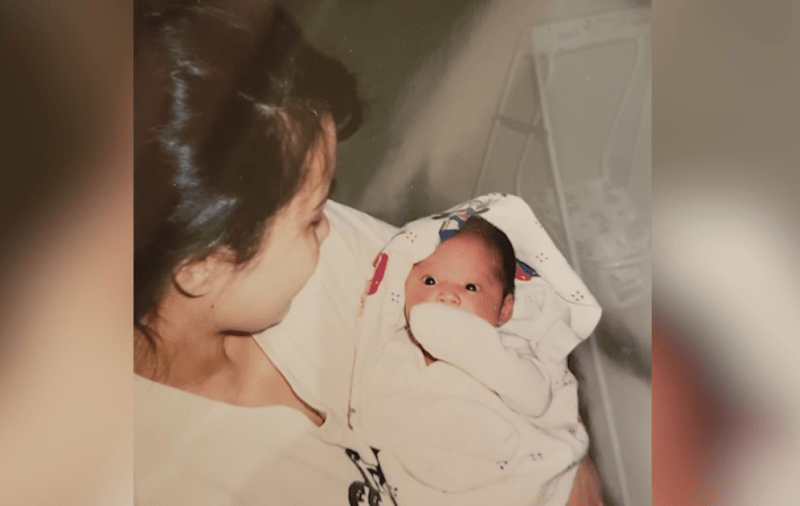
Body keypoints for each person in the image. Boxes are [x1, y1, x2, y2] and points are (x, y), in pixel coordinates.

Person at [133, 1, 603, 505]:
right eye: (311, 218)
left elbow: (508, 302)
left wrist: (569, 467)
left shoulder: (333, 260)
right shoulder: (166, 479)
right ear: (203, 265)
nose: (330, 228)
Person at [353, 213, 590, 505]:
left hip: (529, 484)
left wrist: (473, 345)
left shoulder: (512, 347)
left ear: (504, 310)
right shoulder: (399, 351)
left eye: (470, 287)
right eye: (430, 280)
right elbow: (373, 421)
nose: (447, 295)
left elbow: (536, 398)